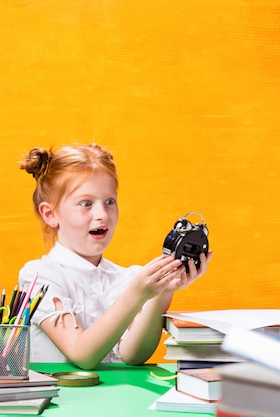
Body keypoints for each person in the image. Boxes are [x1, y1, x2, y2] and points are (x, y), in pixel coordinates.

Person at [17, 143, 212, 370]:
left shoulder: (126, 277)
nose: (102, 215)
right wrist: (136, 294)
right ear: (50, 214)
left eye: (109, 201)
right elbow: (82, 355)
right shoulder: (39, 277)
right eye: (86, 204)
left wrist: (161, 293)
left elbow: (133, 355)